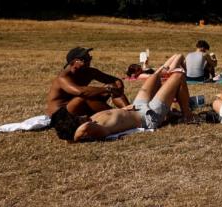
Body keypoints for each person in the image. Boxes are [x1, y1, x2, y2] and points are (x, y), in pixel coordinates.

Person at [49, 54, 193, 142]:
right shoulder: (95, 129)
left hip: (136, 107)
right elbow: (81, 132)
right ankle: (187, 115)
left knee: (154, 76)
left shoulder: (92, 120)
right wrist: (68, 134)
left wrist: (124, 107)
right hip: (147, 117)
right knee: (178, 75)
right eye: (78, 118)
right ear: (76, 125)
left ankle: (173, 107)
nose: (83, 116)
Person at [44, 47, 129, 117]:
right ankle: (119, 115)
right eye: (85, 59)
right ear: (74, 62)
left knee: (112, 85)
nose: (89, 60)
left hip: (80, 107)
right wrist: (107, 89)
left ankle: (129, 111)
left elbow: (115, 81)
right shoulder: (63, 78)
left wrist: (117, 84)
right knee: (84, 97)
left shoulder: (89, 72)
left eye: (89, 58)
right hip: (61, 114)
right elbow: (81, 92)